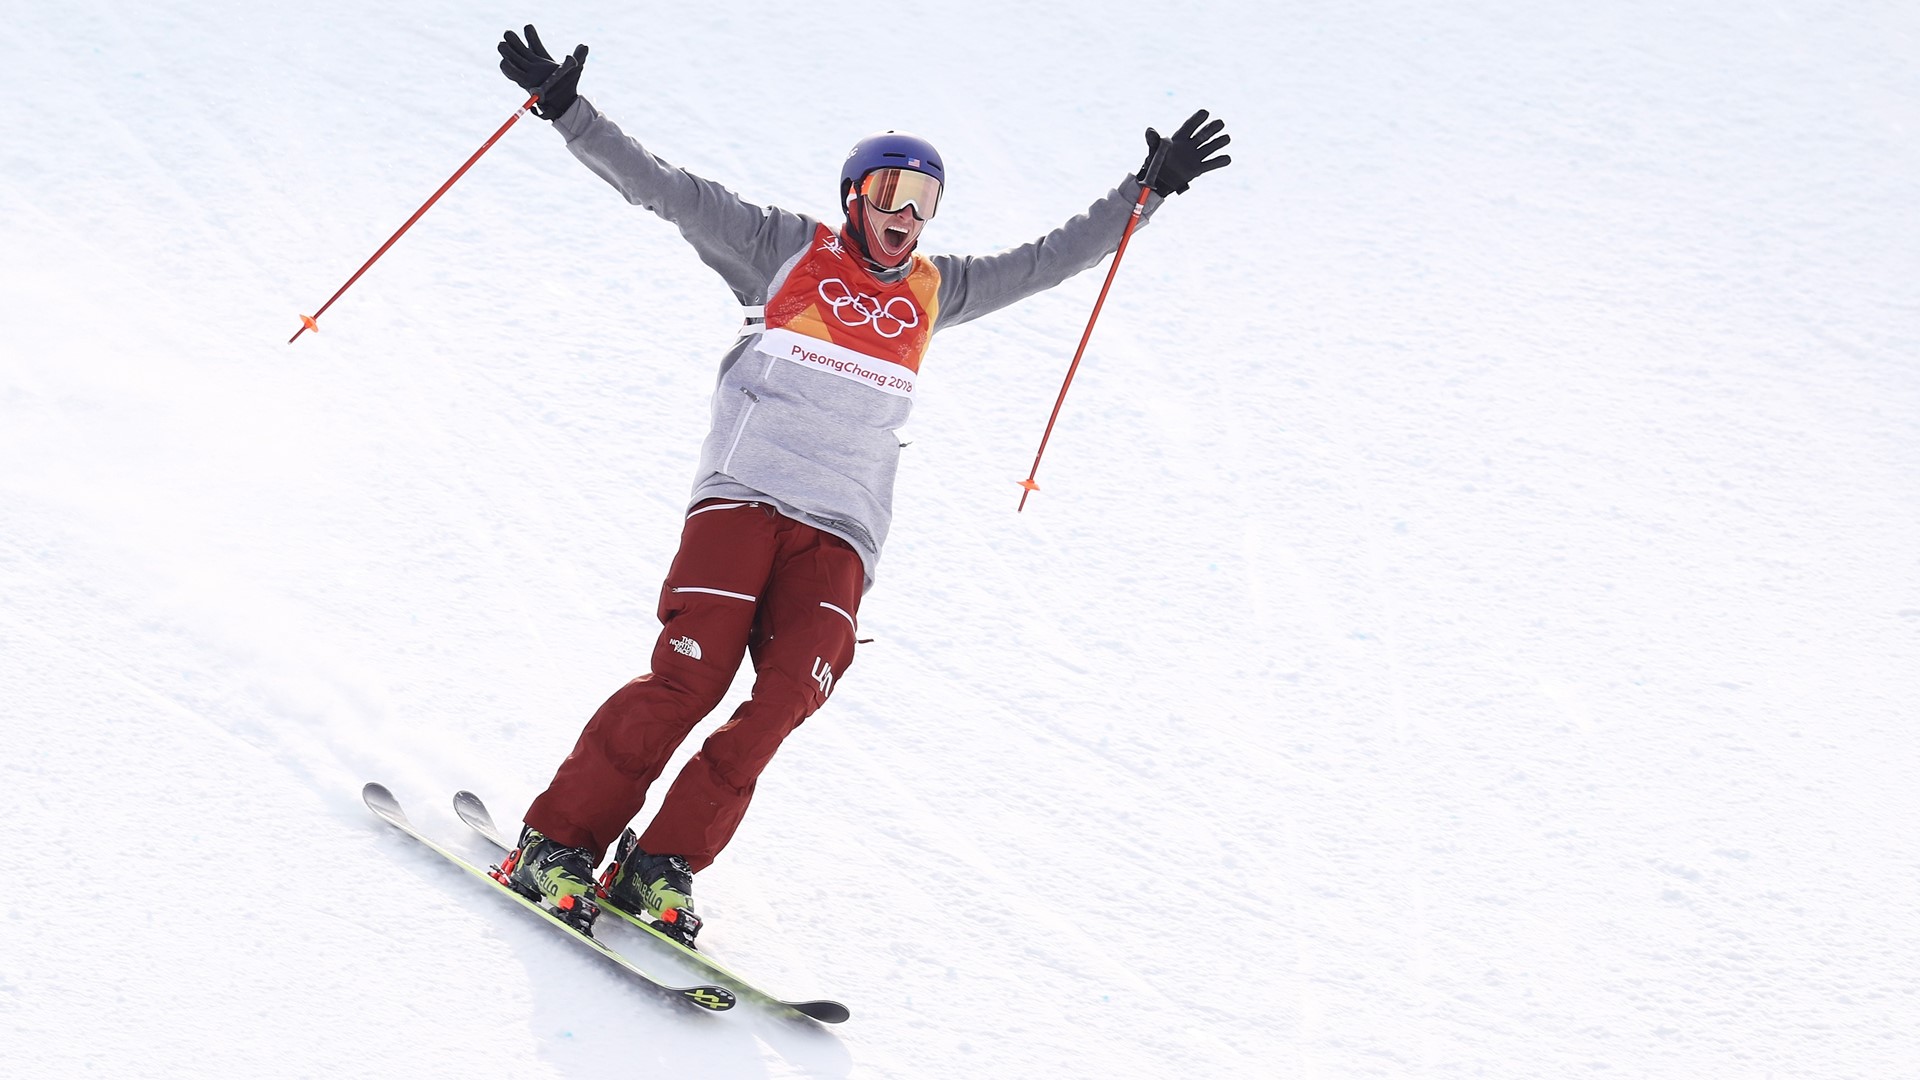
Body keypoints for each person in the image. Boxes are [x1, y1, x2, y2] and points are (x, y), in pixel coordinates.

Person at [491, 25, 1231, 946]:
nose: (907, 213)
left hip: (844, 530)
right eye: (891, 192)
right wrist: (567, 111)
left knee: (783, 700)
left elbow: (1051, 258)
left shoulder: (935, 289)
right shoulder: (779, 250)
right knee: (691, 677)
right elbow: (666, 190)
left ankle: (659, 867)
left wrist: (1144, 195)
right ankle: (555, 843)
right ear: (855, 197)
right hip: (746, 499)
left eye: (924, 199)